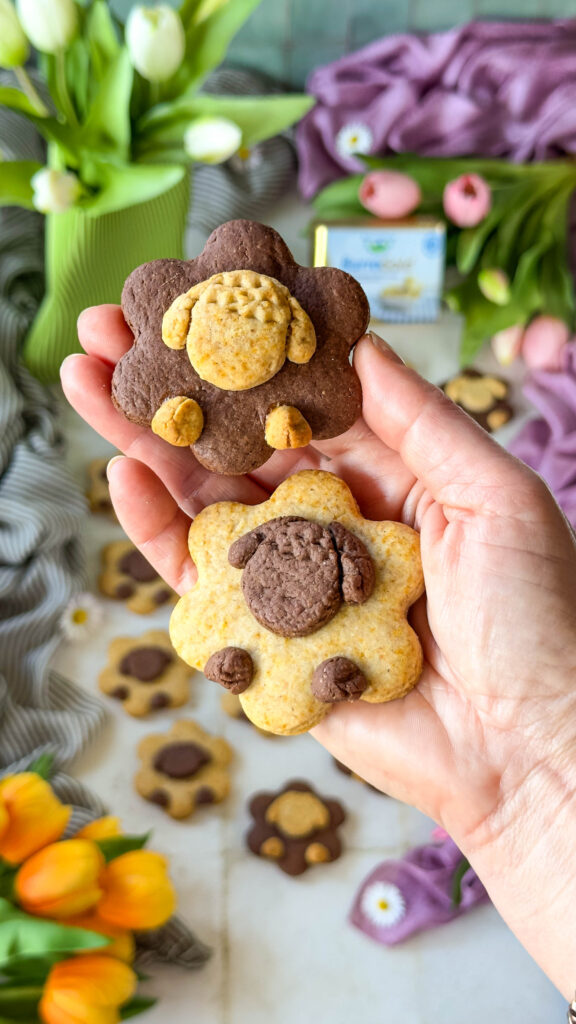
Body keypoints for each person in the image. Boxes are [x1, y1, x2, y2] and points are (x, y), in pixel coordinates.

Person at [61, 307, 576, 1002]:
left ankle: (327, 673)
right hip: (271, 613)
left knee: (340, 674)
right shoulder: (233, 546)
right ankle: (282, 667)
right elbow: (234, 547)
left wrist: (538, 757)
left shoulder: (367, 559)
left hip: (349, 624)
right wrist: (531, 778)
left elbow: (363, 564)